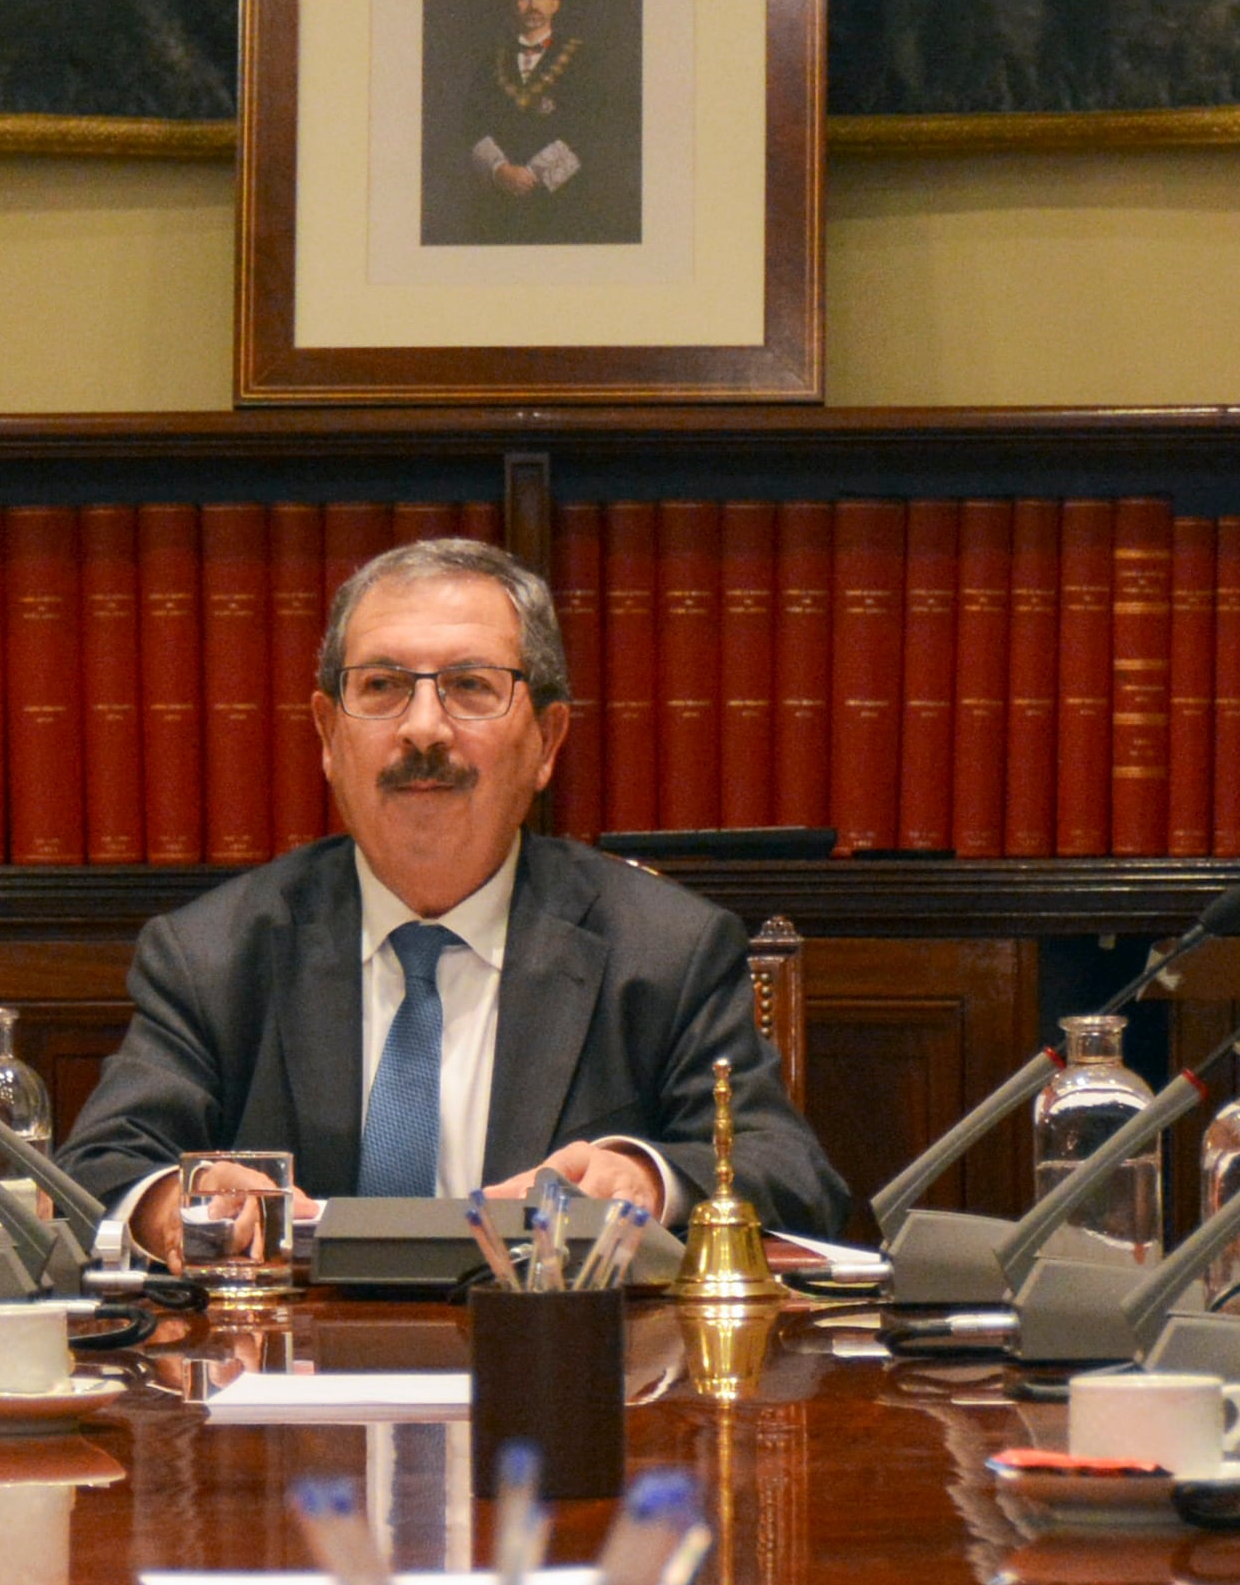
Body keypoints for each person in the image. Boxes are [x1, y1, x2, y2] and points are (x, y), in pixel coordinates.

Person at [62, 534, 846, 1251]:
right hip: (289, 1385)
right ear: (329, 738)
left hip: (560, 1374)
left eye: (471, 686)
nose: (425, 728)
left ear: (548, 742)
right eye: (382, 686)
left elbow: (792, 1176)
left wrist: (646, 1180)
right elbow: (95, 1171)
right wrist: (172, 1202)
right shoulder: (212, 955)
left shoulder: (665, 950)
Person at [427, 0, 640, 248]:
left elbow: (595, 124)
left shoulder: (584, 58)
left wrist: (534, 173)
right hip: (499, 201)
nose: (533, 6)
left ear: (555, 4)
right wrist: (499, 169)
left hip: (566, 200)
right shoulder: (491, 60)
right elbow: (471, 123)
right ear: (514, 5)